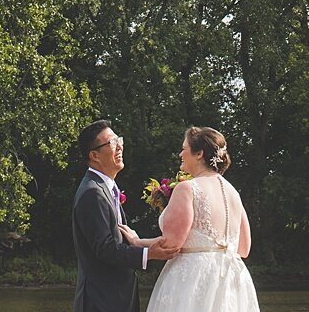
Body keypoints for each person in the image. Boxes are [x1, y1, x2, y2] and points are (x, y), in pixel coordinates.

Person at [120, 127, 258, 312]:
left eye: (184, 148)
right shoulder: (234, 193)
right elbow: (243, 249)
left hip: (194, 279)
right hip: (233, 282)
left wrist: (136, 241)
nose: (181, 153)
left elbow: (170, 245)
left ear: (199, 153)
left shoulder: (188, 189)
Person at [72, 120, 148, 312]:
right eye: (112, 143)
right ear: (94, 155)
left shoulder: (107, 188)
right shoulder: (92, 192)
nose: (120, 146)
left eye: (118, 139)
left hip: (117, 298)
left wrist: (139, 242)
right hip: (101, 301)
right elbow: (105, 249)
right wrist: (148, 253)